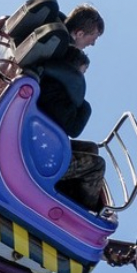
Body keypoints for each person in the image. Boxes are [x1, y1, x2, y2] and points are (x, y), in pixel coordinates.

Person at [37, 46, 106, 212]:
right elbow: (74, 128)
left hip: (43, 140)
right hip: (41, 156)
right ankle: (85, 212)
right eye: (82, 73)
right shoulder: (54, 90)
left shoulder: (49, 80)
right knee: (97, 165)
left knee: (91, 148)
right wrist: (85, 108)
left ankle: (67, 190)